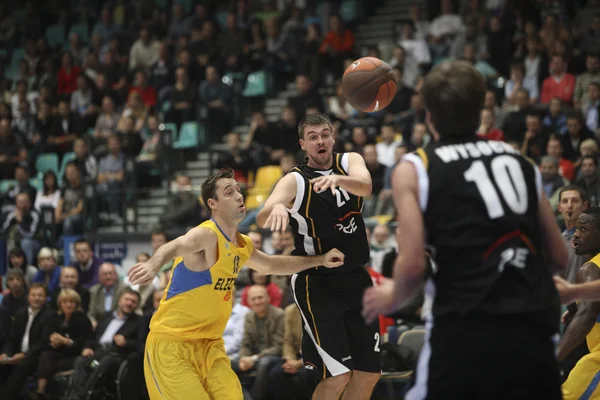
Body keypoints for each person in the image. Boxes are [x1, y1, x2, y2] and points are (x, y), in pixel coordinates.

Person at [362, 60, 568, 400]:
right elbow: (559, 257)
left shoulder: (415, 168)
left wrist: (391, 295)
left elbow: (412, 266)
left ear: (428, 115)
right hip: (533, 328)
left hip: (464, 328)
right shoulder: (520, 162)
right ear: (481, 108)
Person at [127, 169, 344, 400]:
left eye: (238, 190)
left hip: (210, 346)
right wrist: (152, 265)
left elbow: (271, 265)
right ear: (213, 204)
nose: (239, 196)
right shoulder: (206, 235)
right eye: (229, 192)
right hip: (172, 346)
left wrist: (319, 260)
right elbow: (175, 245)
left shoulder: (242, 244)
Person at [256, 113, 381, 400]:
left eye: (325, 134)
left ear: (333, 137)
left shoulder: (350, 162)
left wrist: (338, 179)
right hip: (317, 283)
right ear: (303, 144)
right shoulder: (295, 180)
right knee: (338, 375)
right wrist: (274, 208)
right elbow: (264, 216)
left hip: (356, 278)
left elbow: (366, 186)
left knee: (369, 372)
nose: (320, 140)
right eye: (313, 137)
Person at [555, 208, 600, 399]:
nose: (576, 235)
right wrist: (575, 308)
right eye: (576, 229)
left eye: (583, 229)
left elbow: (587, 316)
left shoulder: (590, 269)